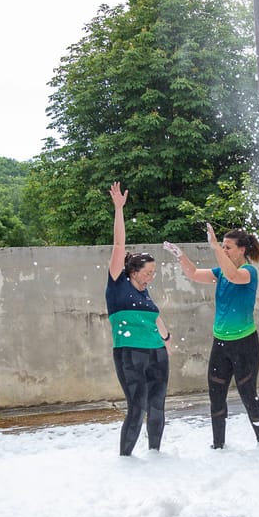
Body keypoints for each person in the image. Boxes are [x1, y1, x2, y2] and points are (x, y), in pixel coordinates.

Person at [163, 225, 259, 449]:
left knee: (248, 394)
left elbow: (233, 274)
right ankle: (218, 445)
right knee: (216, 395)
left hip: (245, 344)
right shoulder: (220, 274)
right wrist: (181, 255)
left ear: (241, 250)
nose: (224, 250)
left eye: (228, 247)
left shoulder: (249, 272)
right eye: (222, 246)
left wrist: (213, 247)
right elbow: (192, 274)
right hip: (221, 344)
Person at [106, 182, 171, 456]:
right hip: (130, 353)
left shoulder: (147, 294)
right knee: (137, 406)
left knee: (158, 405)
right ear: (132, 271)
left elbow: (156, 319)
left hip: (157, 352)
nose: (151, 276)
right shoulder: (117, 284)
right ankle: (126, 461)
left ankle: (155, 454)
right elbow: (119, 243)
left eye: (154, 272)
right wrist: (119, 209)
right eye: (147, 272)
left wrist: (167, 341)